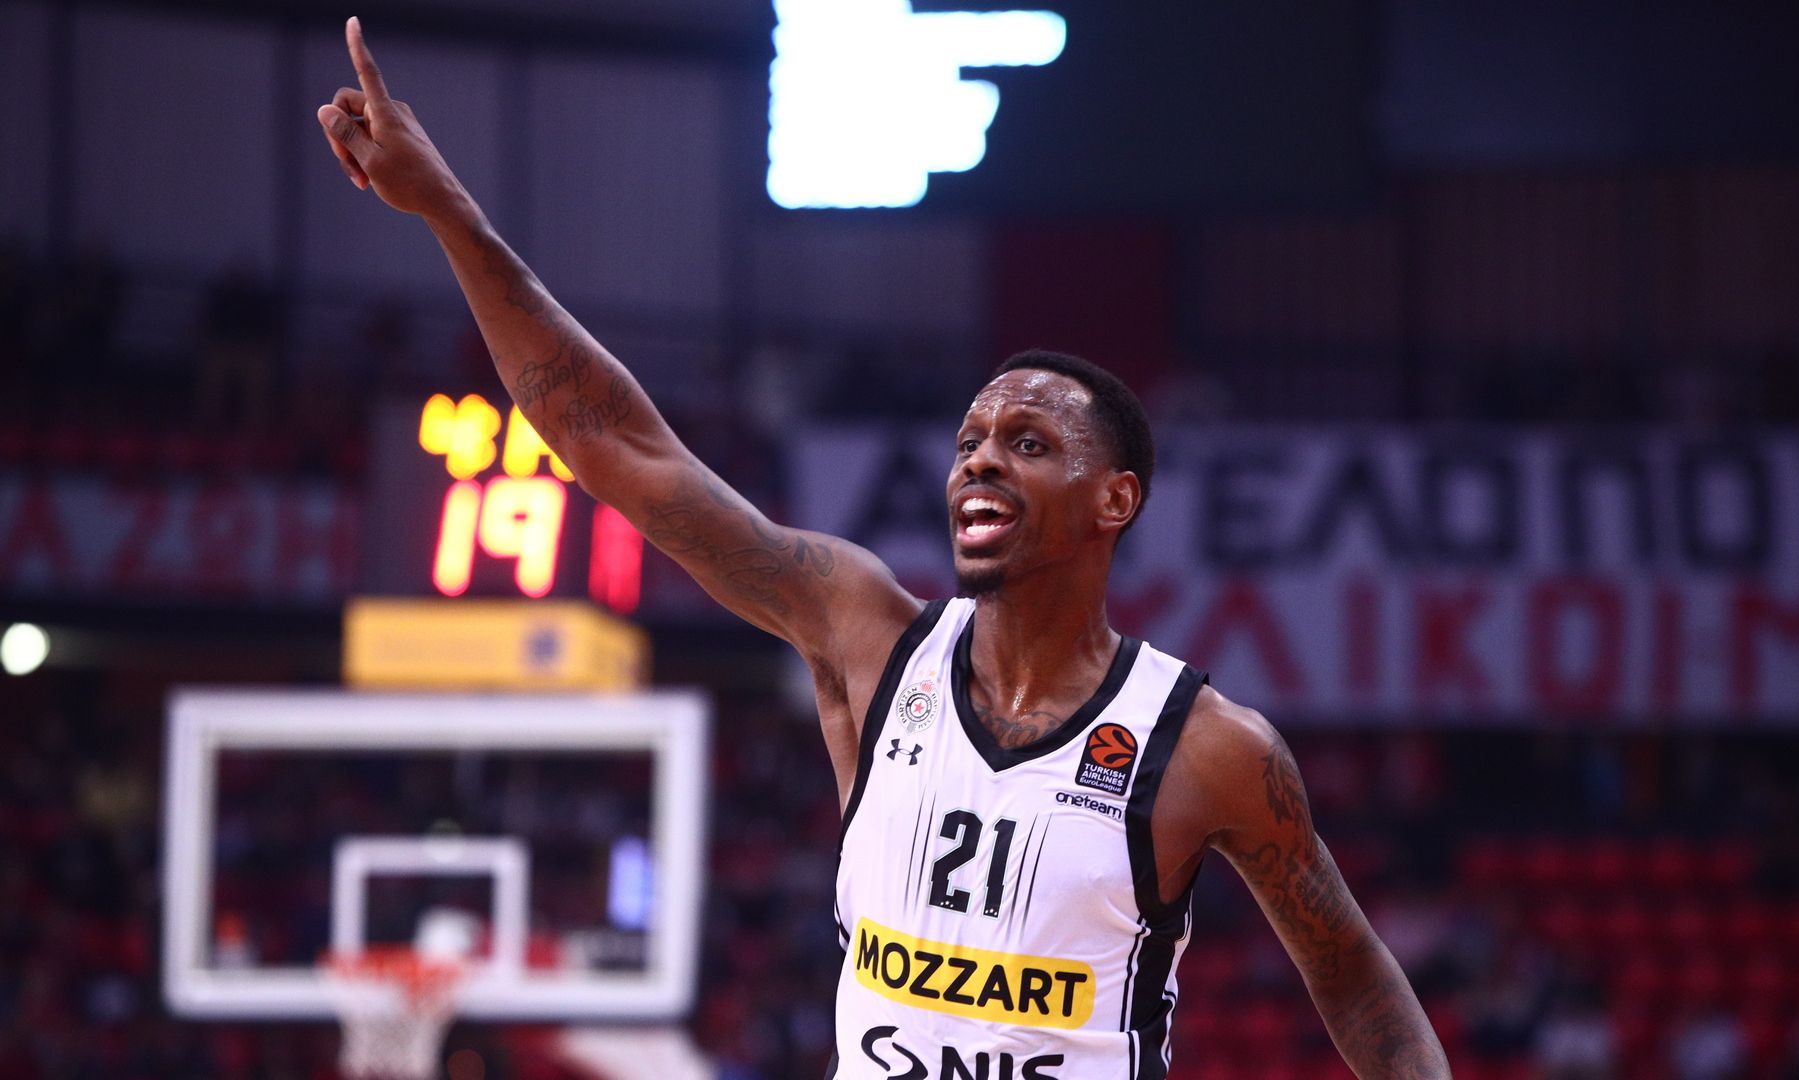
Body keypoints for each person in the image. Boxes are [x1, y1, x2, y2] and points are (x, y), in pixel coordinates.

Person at [316, 17, 1451, 1079]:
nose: (980, 461)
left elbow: (1355, 976)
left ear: (1115, 499)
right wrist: (449, 214)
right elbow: (616, 443)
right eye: (969, 442)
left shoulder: (1208, 747)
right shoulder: (865, 634)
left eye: (1027, 442)